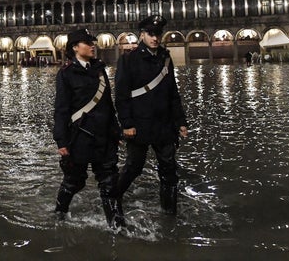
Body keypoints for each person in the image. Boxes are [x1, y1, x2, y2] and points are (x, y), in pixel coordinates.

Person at [114, 15, 189, 215]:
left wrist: (180, 121)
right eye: (151, 34)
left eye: (158, 34)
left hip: (164, 125)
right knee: (133, 167)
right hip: (139, 124)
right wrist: (126, 124)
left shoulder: (165, 58)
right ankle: (113, 198)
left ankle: (169, 213)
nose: (155, 38)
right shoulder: (128, 59)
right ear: (142, 35)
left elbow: (173, 92)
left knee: (169, 170)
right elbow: (121, 96)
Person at [53, 28, 124, 228]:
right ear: (75, 47)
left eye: (93, 42)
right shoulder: (66, 74)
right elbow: (61, 109)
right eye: (87, 43)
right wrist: (61, 141)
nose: (93, 45)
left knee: (110, 183)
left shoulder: (100, 71)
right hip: (80, 138)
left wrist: (115, 130)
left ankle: (117, 226)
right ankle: (59, 214)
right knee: (74, 181)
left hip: (104, 137)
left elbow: (108, 104)